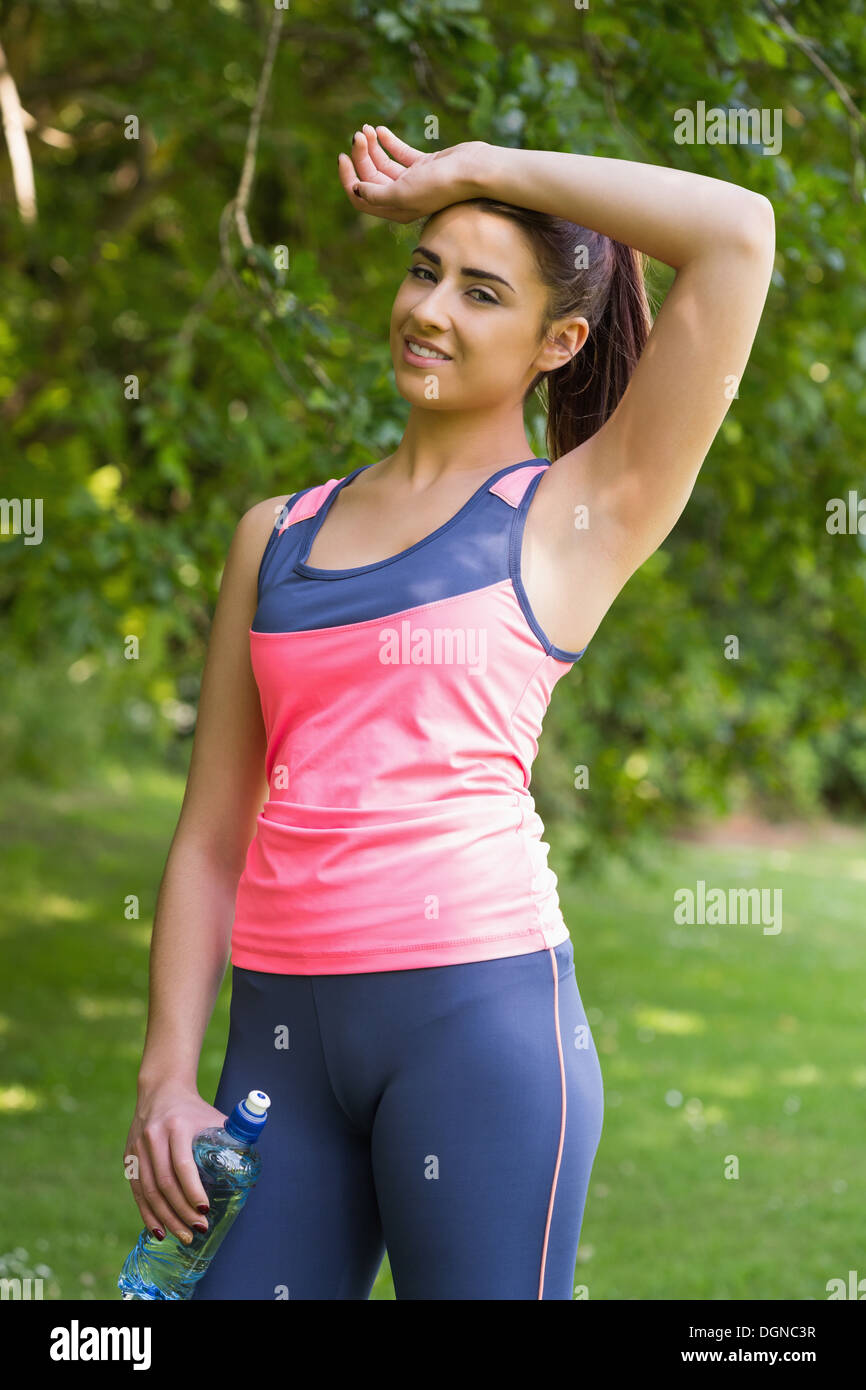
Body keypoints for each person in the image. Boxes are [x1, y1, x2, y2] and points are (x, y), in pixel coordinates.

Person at [123, 126, 775, 1299]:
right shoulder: (273, 536)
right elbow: (212, 832)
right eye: (423, 269)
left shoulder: (576, 515)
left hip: (478, 1032)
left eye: (482, 292)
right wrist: (166, 1075)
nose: (430, 309)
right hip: (280, 1045)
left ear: (556, 341)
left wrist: (478, 164)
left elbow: (734, 234)